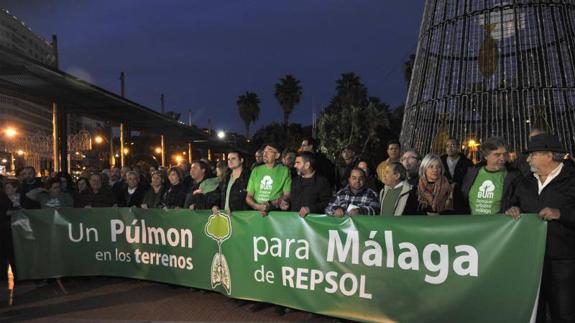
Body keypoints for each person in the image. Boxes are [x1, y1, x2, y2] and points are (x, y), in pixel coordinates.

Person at [505, 134, 575, 322]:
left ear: (549, 155)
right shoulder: (524, 182)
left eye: (533, 154)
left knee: (564, 312)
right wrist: (512, 208)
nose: (527, 159)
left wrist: (560, 214)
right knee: (534, 313)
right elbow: (512, 203)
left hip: (564, 261)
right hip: (530, 259)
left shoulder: (571, 179)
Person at [461, 137, 520, 215]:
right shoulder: (471, 173)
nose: (502, 158)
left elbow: (520, 201)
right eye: (497, 155)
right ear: (486, 156)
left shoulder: (514, 177)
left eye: (505, 154)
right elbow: (462, 201)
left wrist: (515, 208)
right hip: (472, 225)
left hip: (499, 225)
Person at [280, 152, 331, 217]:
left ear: (307, 165)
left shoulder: (322, 182)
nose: (295, 165)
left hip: (312, 224)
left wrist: (310, 209)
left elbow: (327, 203)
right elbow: (291, 201)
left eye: (298, 163)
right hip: (294, 222)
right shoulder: (295, 181)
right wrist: (286, 204)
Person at [246, 143, 292, 216]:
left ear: (277, 155)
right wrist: (257, 206)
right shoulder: (256, 170)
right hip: (256, 214)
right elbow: (249, 196)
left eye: (269, 150)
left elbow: (287, 194)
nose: (265, 154)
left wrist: (272, 204)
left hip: (274, 214)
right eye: (264, 151)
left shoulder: (285, 171)